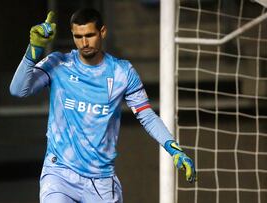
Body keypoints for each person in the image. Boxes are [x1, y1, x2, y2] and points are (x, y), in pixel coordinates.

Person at [10, 8, 196, 203]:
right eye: (78, 36)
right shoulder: (58, 64)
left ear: (103, 32)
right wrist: (34, 49)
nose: (84, 43)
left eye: (89, 35)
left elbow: (147, 116)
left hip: (101, 182)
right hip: (59, 175)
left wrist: (175, 149)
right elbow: (18, 90)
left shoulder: (122, 72)